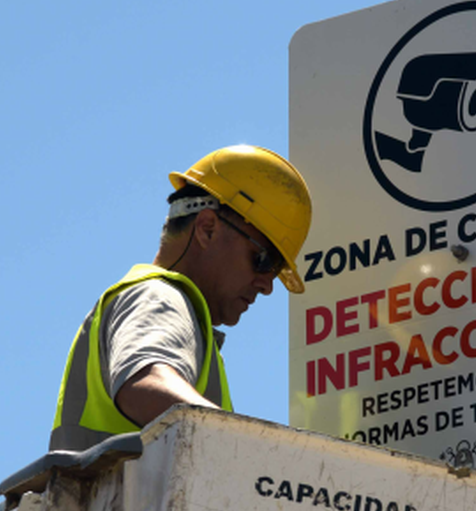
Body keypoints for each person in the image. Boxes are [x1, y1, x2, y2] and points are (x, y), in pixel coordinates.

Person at [49, 145, 312, 451]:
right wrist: (256, 455)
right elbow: (145, 386)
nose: (267, 285)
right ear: (207, 228)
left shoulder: (182, 319)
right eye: (263, 260)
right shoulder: (159, 296)